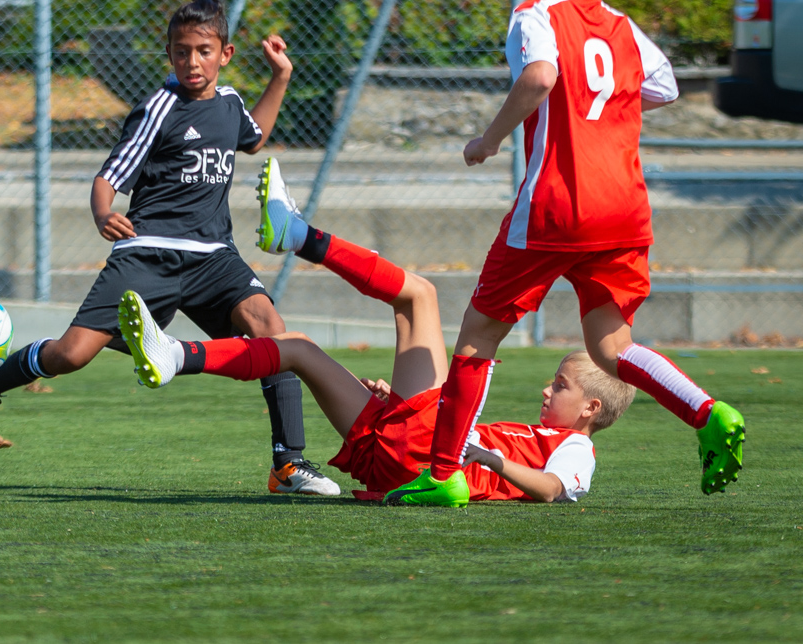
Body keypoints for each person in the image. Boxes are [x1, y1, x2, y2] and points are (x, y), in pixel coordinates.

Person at [382, 0, 744, 507]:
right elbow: (664, 86)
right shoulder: (619, 23)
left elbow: (542, 75)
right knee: (613, 348)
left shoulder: (533, 15)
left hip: (558, 206)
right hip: (625, 208)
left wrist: (490, 139)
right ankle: (708, 413)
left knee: (475, 339)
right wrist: (601, 108)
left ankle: (443, 475)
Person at [0, 0, 341, 496]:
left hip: (214, 257)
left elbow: (254, 138)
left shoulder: (229, 104)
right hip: (149, 253)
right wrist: (102, 212)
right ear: (169, 55)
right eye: (181, 52)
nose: (192, 62)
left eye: (203, 52)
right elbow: (109, 176)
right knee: (70, 355)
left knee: (271, 330)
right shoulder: (159, 108)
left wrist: (281, 76)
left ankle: (287, 464)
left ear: (225, 55)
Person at [120, 157, 637, 504]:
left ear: (590, 409)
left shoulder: (576, 449)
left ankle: (299, 235)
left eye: (561, 386)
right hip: (398, 460)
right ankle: (176, 355)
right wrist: (401, 403)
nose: (547, 390)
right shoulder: (536, 434)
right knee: (297, 348)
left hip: (427, 460)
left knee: (419, 296)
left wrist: (488, 459)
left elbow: (552, 490)